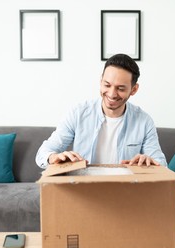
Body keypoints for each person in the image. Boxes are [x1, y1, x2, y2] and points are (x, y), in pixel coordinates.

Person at [35, 53, 167, 169]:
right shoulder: (78, 113)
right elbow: (44, 152)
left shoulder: (144, 121)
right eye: (107, 85)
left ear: (134, 89)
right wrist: (53, 157)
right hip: (84, 189)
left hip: (126, 190)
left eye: (120, 88)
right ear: (101, 81)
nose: (112, 94)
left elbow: (161, 163)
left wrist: (151, 162)